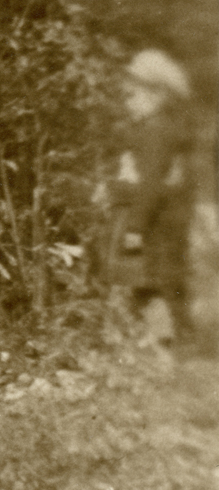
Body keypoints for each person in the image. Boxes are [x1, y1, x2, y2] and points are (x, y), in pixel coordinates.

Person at [102, 49, 195, 346]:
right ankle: (171, 335)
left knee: (153, 277)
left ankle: (166, 338)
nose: (129, 104)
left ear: (156, 95)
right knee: (158, 276)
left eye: (134, 96)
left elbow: (151, 183)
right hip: (160, 215)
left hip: (156, 219)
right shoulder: (155, 127)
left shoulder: (156, 131)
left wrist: (136, 226)